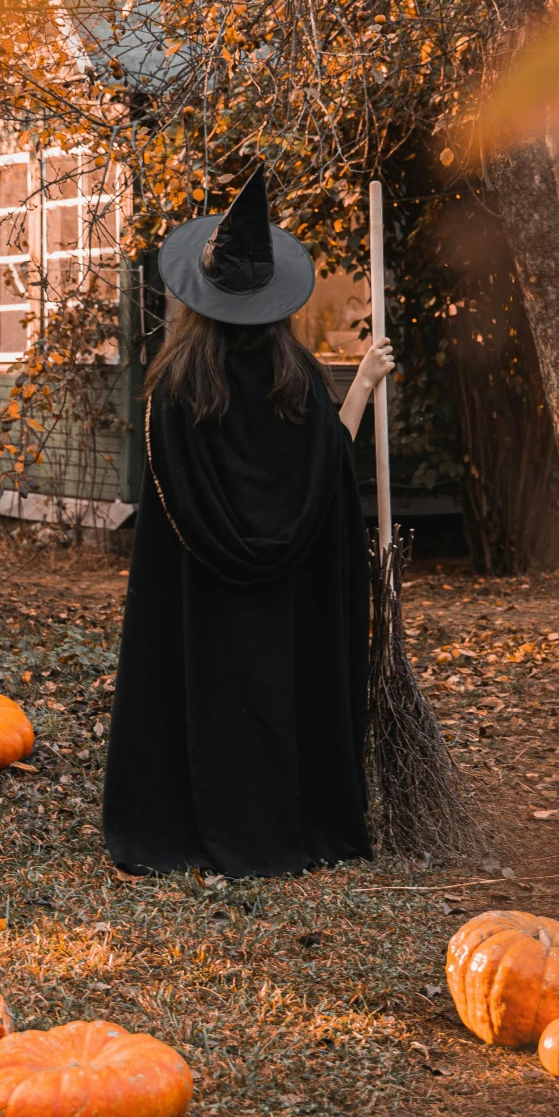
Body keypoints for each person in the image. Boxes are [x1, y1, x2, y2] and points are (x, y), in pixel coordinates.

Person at [102, 167, 394, 879]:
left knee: (208, 691)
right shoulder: (296, 377)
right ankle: (287, 819)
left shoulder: (174, 388)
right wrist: (359, 385)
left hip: (199, 598)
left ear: (201, 300)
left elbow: (174, 501)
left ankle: (191, 817)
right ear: (273, 301)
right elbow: (324, 472)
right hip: (289, 595)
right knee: (277, 689)